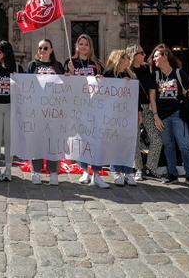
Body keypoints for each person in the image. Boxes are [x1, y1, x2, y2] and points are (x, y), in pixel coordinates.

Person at [65, 34, 109, 188]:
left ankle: (97, 174)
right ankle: (85, 171)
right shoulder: (70, 63)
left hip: (96, 107)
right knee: (82, 141)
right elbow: (66, 85)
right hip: (78, 107)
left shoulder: (97, 64)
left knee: (97, 140)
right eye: (80, 44)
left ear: (90, 47)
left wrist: (101, 79)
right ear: (76, 46)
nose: (83, 47)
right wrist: (70, 74)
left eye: (86, 44)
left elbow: (107, 85)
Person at [152, 47, 189, 186]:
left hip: (178, 114)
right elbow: (153, 97)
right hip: (163, 116)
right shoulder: (155, 76)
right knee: (168, 146)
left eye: (156, 56)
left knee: (184, 145)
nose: (154, 59)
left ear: (165, 56)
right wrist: (156, 116)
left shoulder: (178, 73)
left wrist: (187, 104)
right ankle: (172, 174)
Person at [104, 49, 150, 187]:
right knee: (116, 143)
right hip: (113, 115)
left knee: (129, 143)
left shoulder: (130, 74)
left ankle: (128, 171)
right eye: (125, 57)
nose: (128, 59)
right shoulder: (108, 74)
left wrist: (139, 112)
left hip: (128, 114)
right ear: (118, 59)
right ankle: (117, 171)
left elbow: (136, 97)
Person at [26, 39, 65, 185]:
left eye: (45, 48)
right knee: (37, 140)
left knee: (53, 141)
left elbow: (65, 85)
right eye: (40, 48)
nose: (42, 51)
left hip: (54, 111)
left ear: (51, 50)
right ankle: (35, 172)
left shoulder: (57, 66)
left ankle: (53, 172)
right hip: (36, 110)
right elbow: (26, 85)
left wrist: (69, 76)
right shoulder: (32, 65)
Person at [0, 40, 21, 182]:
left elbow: (26, 84)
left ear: (6, 52)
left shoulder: (16, 68)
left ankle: (8, 170)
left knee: (9, 139)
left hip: (10, 106)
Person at [127, 45, 161, 182]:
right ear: (134, 55)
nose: (144, 54)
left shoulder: (147, 68)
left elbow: (152, 92)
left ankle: (150, 167)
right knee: (134, 140)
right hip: (132, 108)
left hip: (147, 107)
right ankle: (138, 169)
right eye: (141, 53)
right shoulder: (127, 71)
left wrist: (155, 112)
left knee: (157, 139)